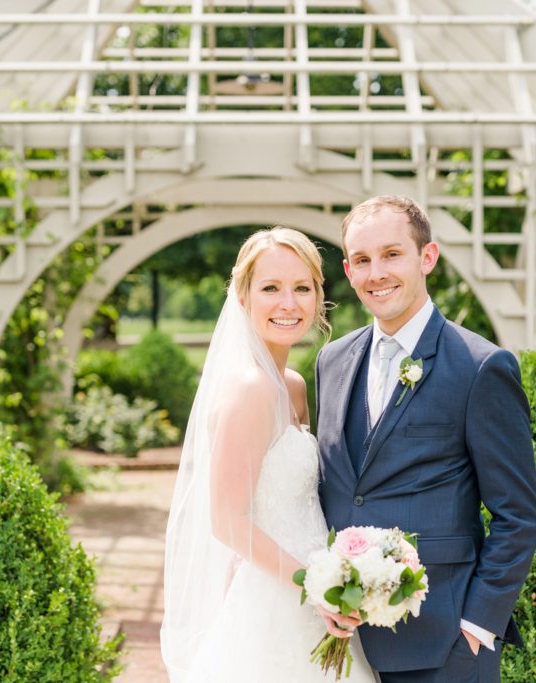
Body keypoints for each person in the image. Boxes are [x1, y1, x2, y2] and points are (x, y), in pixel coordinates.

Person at [315, 196, 536, 683]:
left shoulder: (480, 367)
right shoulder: (331, 362)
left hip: (444, 646)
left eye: (392, 254)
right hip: (342, 640)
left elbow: (518, 515)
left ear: (428, 257)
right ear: (348, 271)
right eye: (362, 260)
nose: (376, 273)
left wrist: (476, 626)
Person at [160, 227, 377, 683]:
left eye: (302, 288)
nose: (289, 303)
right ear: (243, 298)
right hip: (279, 600)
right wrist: (314, 585)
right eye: (271, 288)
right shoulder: (250, 389)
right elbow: (227, 520)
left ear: (319, 296)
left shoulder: (292, 386)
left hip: (314, 595)